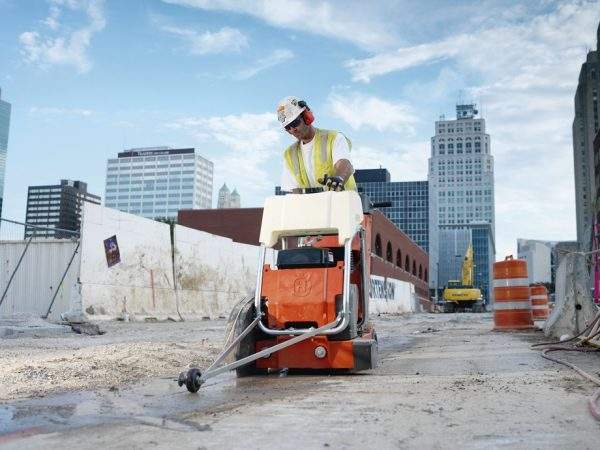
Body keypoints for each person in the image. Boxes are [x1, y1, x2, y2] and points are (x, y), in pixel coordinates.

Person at [277, 96, 356, 193]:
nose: (293, 129)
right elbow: (294, 191)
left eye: (295, 123)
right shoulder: (290, 154)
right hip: (314, 206)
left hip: (344, 203)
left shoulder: (334, 138)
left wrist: (338, 178)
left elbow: (344, 164)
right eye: (288, 127)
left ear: (307, 117)